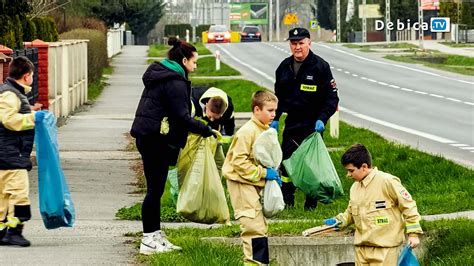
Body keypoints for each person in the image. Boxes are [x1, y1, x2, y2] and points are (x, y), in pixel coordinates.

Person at [130, 37, 215, 255]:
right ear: (185, 60)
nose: (195, 67)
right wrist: (204, 129)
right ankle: (149, 239)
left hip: (149, 136)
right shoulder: (175, 81)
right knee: (154, 191)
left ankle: (155, 234)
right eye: (194, 62)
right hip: (154, 139)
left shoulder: (162, 75)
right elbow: (181, 117)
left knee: (156, 190)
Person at [272, 27, 339, 210]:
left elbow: (332, 98)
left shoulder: (320, 67)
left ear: (309, 43)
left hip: (312, 126)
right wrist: (275, 118)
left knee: (311, 167)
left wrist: (322, 119)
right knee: (287, 163)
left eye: (301, 43)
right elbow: (278, 97)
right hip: (292, 124)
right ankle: (288, 201)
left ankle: (311, 203)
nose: (297, 47)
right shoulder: (283, 68)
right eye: (294, 44)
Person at [325, 144, 423, 265]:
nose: (348, 175)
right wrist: (338, 221)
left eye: (351, 170)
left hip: (385, 250)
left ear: (364, 167)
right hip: (361, 250)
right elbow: (351, 212)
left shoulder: (387, 181)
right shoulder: (354, 188)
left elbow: (409, 206)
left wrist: (413, 234)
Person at [223, 90, 282, 265]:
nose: (273, 115)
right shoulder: (247, 132)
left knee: (260, 228)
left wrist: (272, 174)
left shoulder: (263, 129)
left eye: (275, 111)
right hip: (241, 184)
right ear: (257, 110)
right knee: (252, 228)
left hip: (252, 183)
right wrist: (264, 174)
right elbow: (239, 162)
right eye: (269, 110)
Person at [0, 56, 43, 247]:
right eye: (32, 75)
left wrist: (31, 111)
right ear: (26, 76)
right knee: (18, 194)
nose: (32, 79)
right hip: (11, 153)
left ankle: (2, 232)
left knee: (3, 196)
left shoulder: (12, 93)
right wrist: (33, 118)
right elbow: (9, 119)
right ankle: (14, 232)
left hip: (7, 153)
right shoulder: (10, 94)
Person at [191, 86, 235, 173]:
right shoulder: (193, 101)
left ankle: (215, 185)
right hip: (193, 135)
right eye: (210, 116)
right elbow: (185, 121)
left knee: (220, 163)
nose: (211, 120)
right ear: (206, 105)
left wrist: (227, 140)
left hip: (213, 135)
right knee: (195, 164)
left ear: (222, 114)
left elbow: (230, 128)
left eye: (215, 118)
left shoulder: (228, 109)